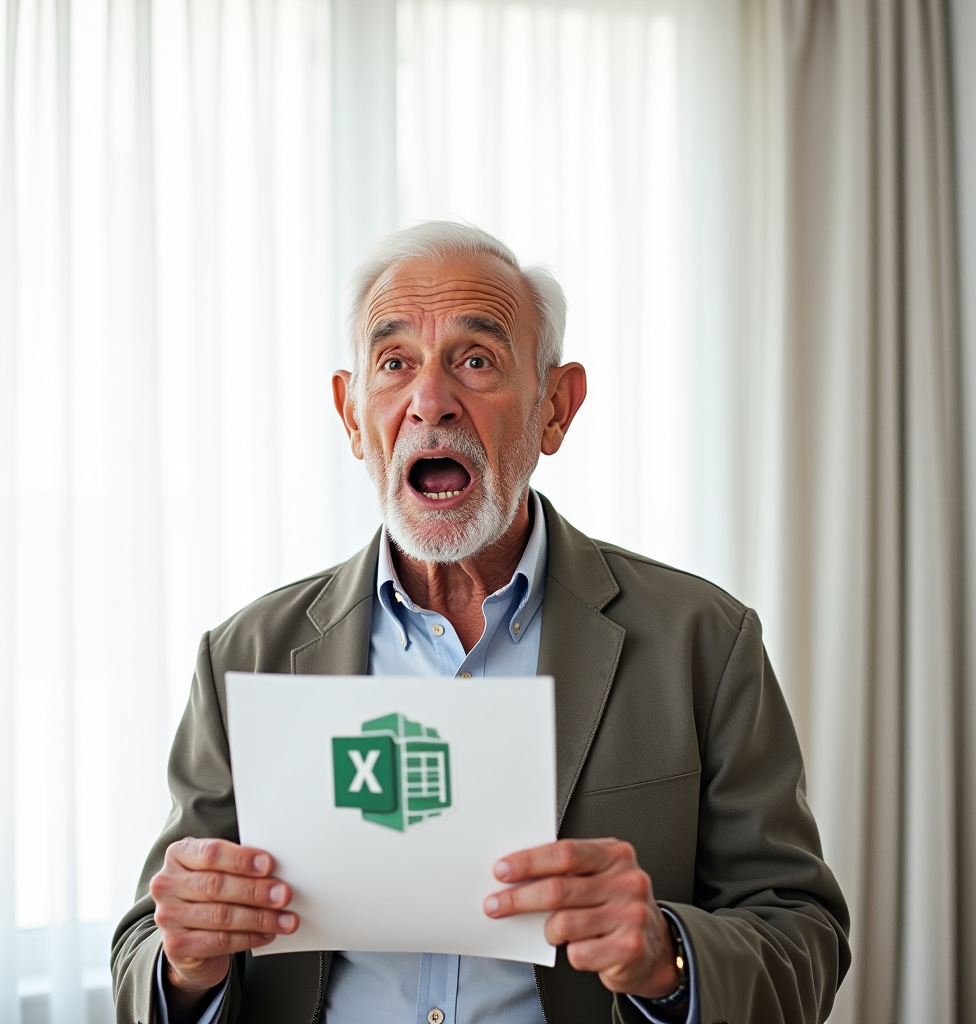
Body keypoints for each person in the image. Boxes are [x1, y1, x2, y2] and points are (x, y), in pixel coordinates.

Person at [112, 222, 850, 1024]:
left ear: (554, 410)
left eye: (475, 360)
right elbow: (145, 949)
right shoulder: (244, 657)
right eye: (394, 364)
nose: (431, 401)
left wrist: (667, 954)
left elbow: (803, 937)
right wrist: (185, 967)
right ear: (353, 414)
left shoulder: (703, 641)